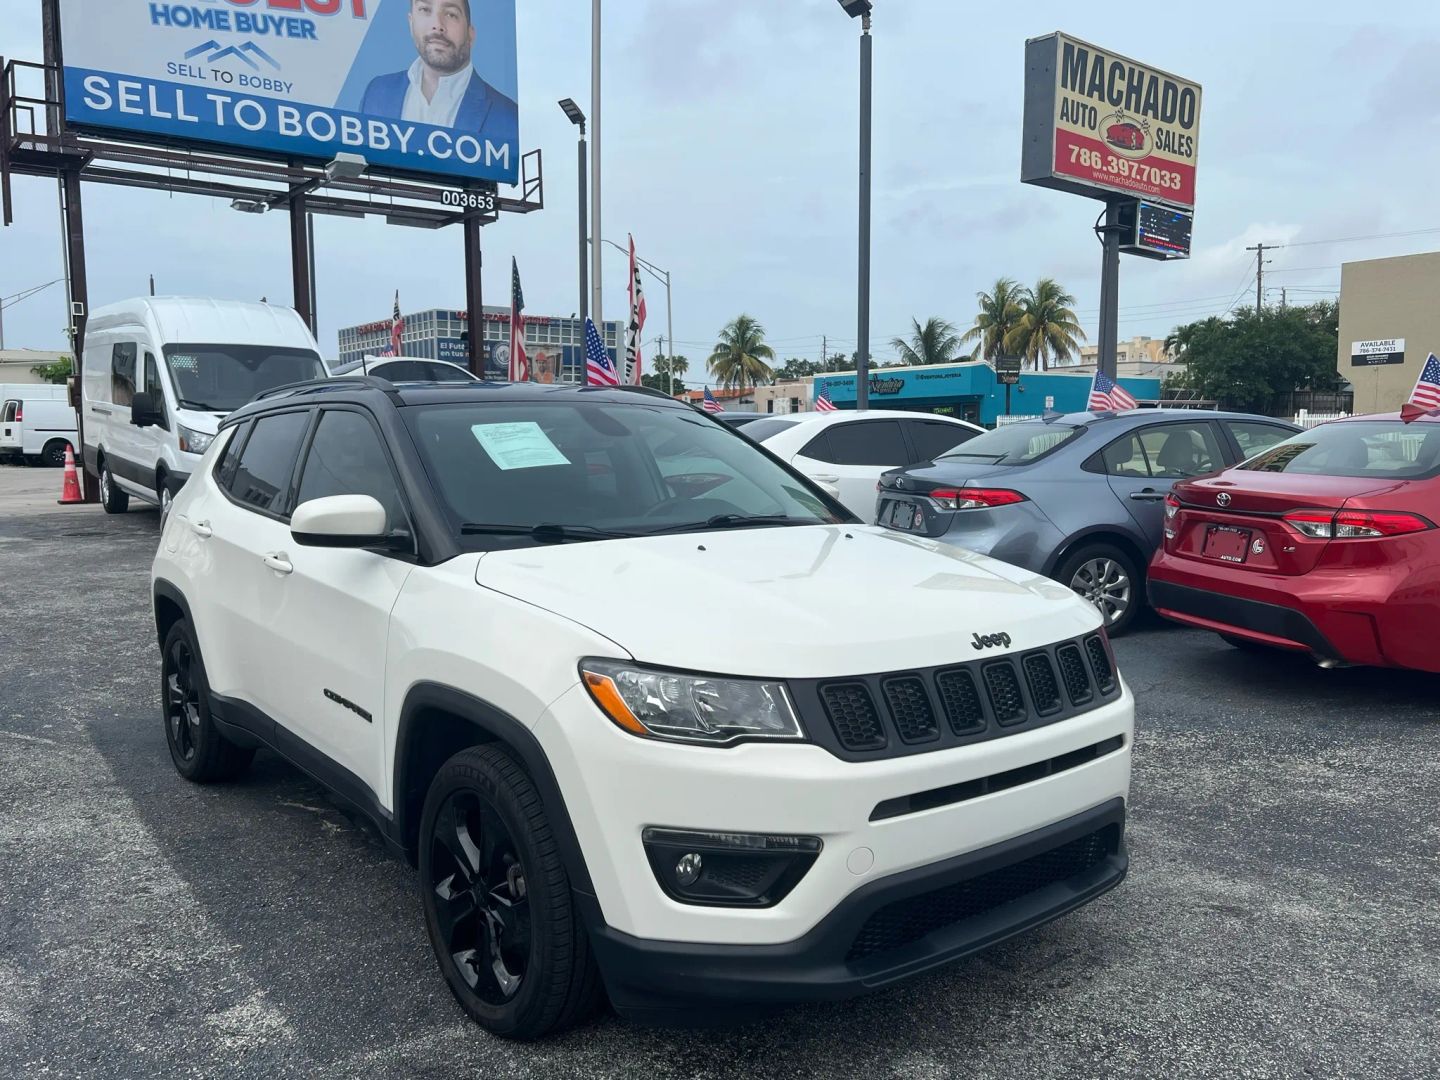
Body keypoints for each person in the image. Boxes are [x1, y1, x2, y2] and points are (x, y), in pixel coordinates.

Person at [361, 0, 518, 147]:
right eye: (425, 10)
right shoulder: (376, 93)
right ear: (411, 22)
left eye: (450, 14)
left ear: (470, 34)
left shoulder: (509, 117)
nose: (437, 25)